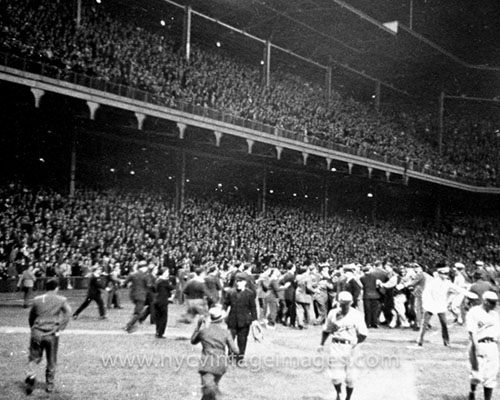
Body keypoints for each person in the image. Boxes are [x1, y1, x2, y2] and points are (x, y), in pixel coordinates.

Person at [25, 278, 71, 395]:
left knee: (33, 357)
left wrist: (33, 328)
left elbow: (31, 317)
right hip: (51, 333)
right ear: (56, 288)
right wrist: (60, 327)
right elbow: (68, 313)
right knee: (51, 360)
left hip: (37, 332)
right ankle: (49, 386)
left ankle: (31, 375)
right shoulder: (61, 299)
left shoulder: (37, 299)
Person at [318, 291, 368, 400]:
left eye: (346, 303)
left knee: (350, 377)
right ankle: (339, 393)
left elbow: (363, 334)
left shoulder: (356, 315)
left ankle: (348, 397)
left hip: (351, 346)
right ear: (338, 302)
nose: (344, 305)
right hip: (336, 345)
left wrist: (356, 344)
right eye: (342, 303)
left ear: (351, 303)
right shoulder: (332, 313)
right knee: (335, 376)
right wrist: (321, 344)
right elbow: (326, 330)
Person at [417, 265, 478, 347]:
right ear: (439, 273)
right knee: (424, 323)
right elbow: (426, 294)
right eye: (444, 273)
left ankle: (446, 341)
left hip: (440, 306)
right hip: (430, 305)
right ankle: (420, 341)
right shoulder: (432, 283)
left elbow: (458, 289)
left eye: (447, 274)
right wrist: (426, 304)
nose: (445, 275)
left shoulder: (447, 283)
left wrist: (471, 295)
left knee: (444, 324)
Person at [191, 307, 239, 400]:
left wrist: (198, 326)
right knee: (211, 389)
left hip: (207, 363)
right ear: (221, 319)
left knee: (209, 391)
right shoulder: (226, 332)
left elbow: (193, 341)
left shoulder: (204, 331)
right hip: (220, 364)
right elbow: (235, 350)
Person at [466, 291, 500, 400]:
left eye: (495, 303)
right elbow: (472, 332)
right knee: (477, 374)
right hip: (479, 343)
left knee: (491, 375)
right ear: (485, 301)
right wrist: (476, 348)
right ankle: (472, 391)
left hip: (492, 345)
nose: (495, 305)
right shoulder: (474, 312)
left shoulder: (495, 314)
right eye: (492, 303)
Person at [223, 273, 258, 365]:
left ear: (245, 282)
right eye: (237, 281)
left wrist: (255, 320)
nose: (238, 283)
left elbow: (253, 307)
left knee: (242, 341)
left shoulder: (249, 294)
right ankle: (230, 357)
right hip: (232, 320)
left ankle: (240, 359)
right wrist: (223, 312)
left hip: (244, 321)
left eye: (240, 282)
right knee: (230, 339)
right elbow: (225, 304)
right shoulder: (231, 292)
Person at [123, 261, 150, 333]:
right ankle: (129, 325)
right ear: (144, 267)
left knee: (139, 310)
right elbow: (149, 285)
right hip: (141, 296)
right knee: (138, 312)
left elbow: (124, 283)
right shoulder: (145, 275)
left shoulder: (132, 274)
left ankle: (135, 321)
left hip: (133, 295)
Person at [153, 268, 175, 338]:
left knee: (158, 317)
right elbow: (172, 288)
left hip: (156, 300)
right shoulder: (164, 281)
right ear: (164, 272)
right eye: (167, 272)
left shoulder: (157, 280)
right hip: (163, 301)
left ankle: (157, 331)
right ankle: (160, 332)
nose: (168, 273)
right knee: (163, 317)